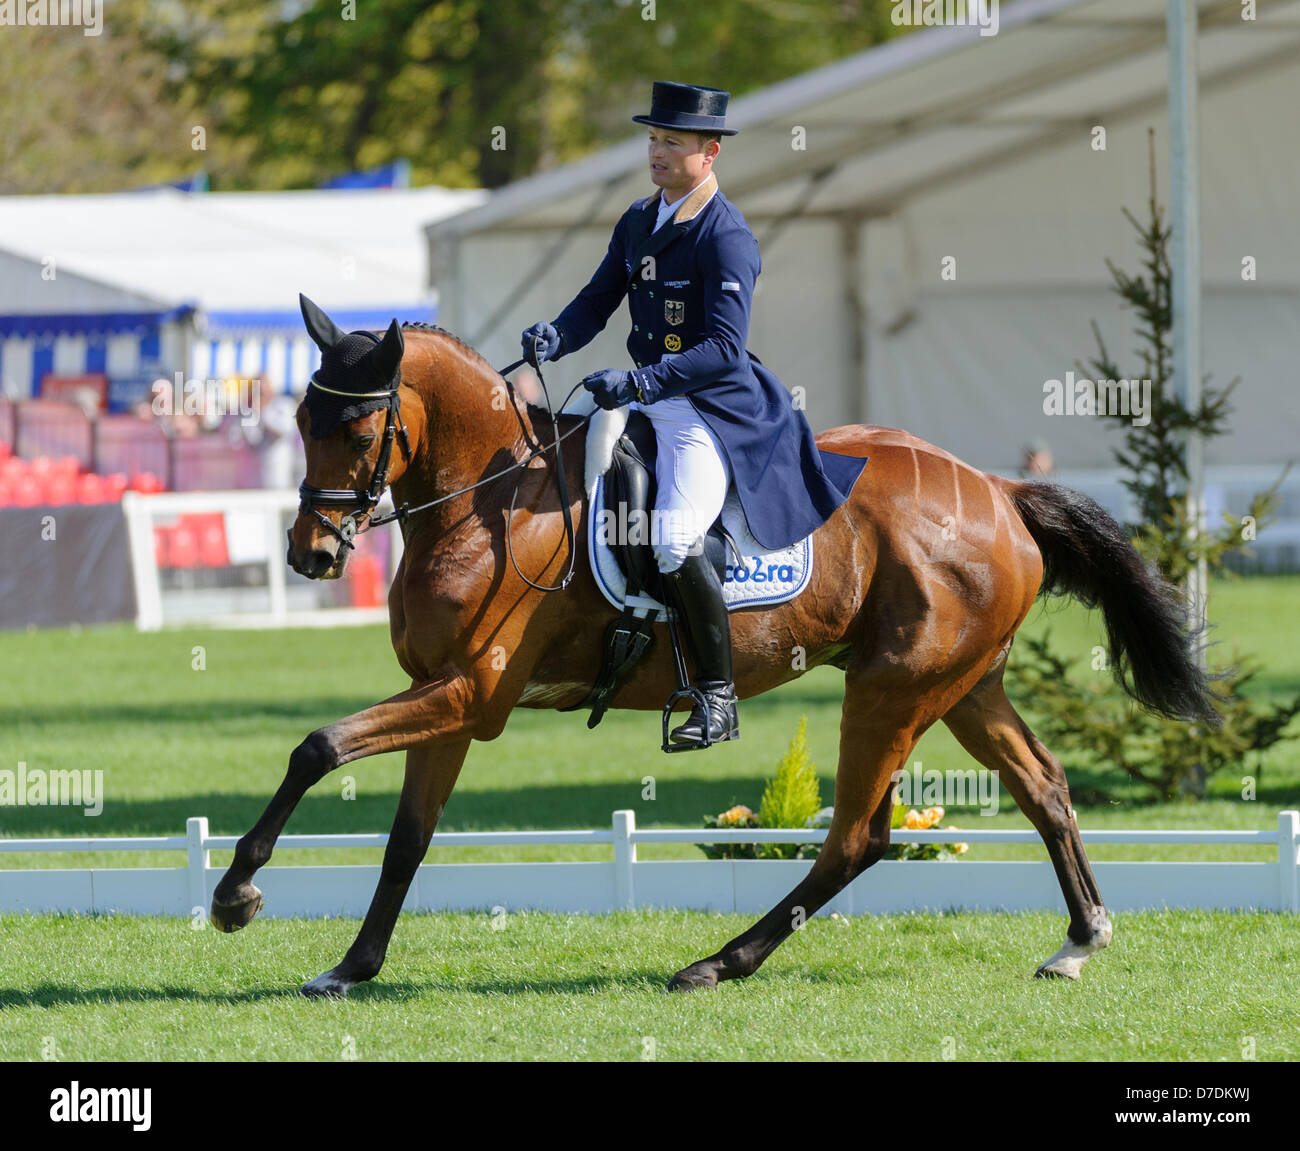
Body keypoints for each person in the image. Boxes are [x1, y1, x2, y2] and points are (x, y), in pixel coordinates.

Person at [522, 81, 864, 747]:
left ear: (709, 153)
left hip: (710, 410)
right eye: (652, 138)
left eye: (671, 141)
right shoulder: (637, 220)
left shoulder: (726, 236)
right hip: (646, 397)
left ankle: (717, 696)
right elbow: (596, 300)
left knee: (676, 538)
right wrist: (558, 336)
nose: (656, 151)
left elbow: (723, 349)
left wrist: (641, 380)